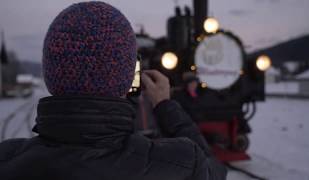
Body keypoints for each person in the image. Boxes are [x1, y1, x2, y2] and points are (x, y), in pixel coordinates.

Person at [0, 2, 227, 180]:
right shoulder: (182, 163)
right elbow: (212, 171)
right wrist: (165, 105)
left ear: (51, 72)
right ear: (129, 76)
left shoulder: (7, 159)